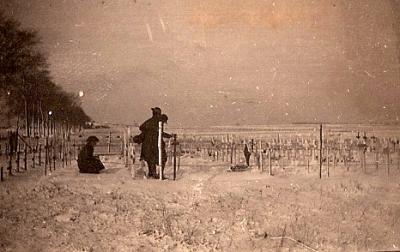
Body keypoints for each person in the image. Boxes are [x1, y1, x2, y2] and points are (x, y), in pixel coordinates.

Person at [139, 107, 162, 178]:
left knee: (150, 159)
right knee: (153, 159)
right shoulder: (157, 122)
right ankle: (153, 174)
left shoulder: (149, 121)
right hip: (153, 144)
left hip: (147, 143)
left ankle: (152, 173)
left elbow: (141, 127)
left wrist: (147, 132)